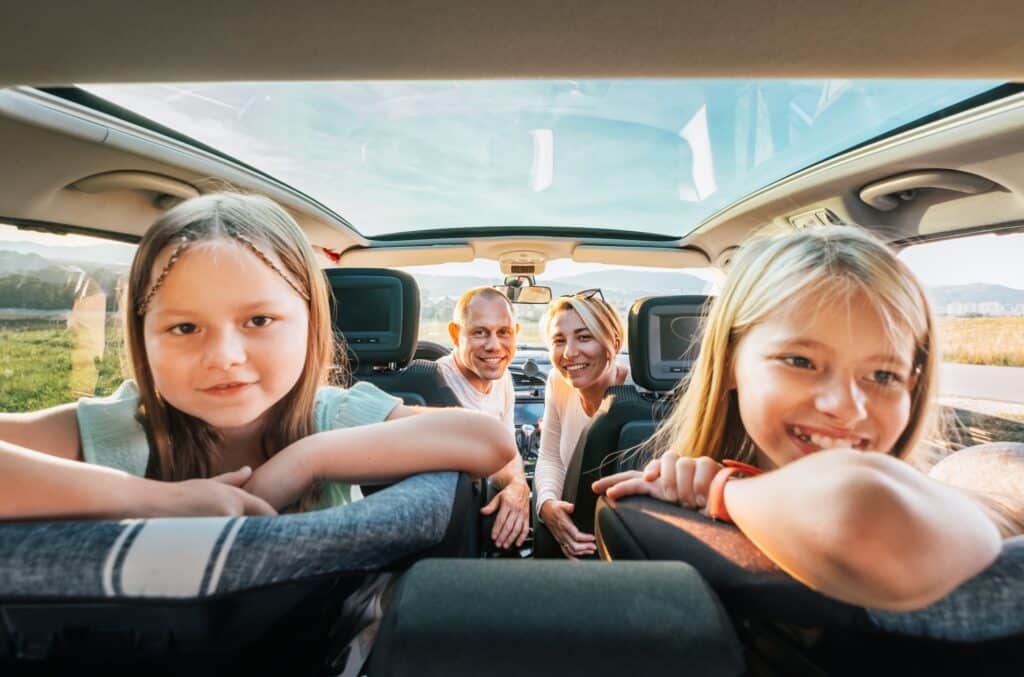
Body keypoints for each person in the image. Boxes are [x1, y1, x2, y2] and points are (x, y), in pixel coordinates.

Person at [0, 193, 515, 519]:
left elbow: (489, 439)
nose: (224, 356)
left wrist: (306, 460)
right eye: (184, 326)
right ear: (142, 335)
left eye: (259, 321)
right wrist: (163, 503)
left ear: (312, 323)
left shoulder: (329, 415)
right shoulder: (112, 429)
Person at [593, 224, 1015, 611]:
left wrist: (722, 491)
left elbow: (868, 524)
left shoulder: (943, 503)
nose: (845, 406)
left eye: (883, 374)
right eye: (800, 360)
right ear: (728, 361)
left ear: (913, 386)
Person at [535, 290, 628, 558]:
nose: (570, 353)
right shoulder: (557, 381)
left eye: (584, 337)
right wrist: (547, 505)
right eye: (559, 340)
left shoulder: (642, 390)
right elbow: (550, 457)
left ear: (615, 342)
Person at [439, 287, 530, 550]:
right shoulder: (437, 384)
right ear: (456, 335)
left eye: (504, 332)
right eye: (480, 332)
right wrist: (515, 483)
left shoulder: (504, 379)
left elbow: (508, 448)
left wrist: (518, 485)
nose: (494, 346)